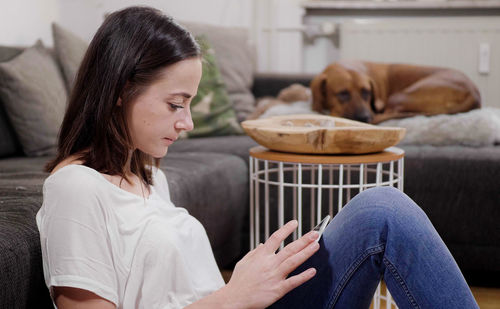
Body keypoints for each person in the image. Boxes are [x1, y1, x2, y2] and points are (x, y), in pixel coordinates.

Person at [36, 6, 479, 309]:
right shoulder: (74, 190)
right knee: (383, 211)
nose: (187, 122)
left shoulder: (148, 176)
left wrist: (251, 283)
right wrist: (233, 296)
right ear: (119, 93)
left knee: (381, 210)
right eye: (176, 104)